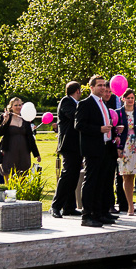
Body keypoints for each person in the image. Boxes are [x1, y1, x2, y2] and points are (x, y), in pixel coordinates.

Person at [76, 75, 120, 226]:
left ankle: (99, 212)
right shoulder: (85, 104)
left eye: (104, 85)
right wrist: (99, 129)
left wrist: (114, 132)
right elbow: (79, 125)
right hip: (92, 148)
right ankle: (87, 215)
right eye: (99, 85)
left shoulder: (104, 104)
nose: (102, 88)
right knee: (91, 182)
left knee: (103, 182)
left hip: (105, 147)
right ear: (91, 88)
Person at [53, 81, 84, 219]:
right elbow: (74, 117)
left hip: (77, 145)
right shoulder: (66, 102)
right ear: (77, 91)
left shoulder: (76, 103)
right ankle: (56, 205)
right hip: (68, 145)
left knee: (74, 176)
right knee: (67, 175)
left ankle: (69, 207)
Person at [0, 99, 40, 179]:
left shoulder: (26, 118)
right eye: (16, 105)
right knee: (9, 172)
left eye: (20, 105)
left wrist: (36, 154)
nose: (18, 107)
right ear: (11, 107)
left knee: (24, 172)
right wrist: (4, 122)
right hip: (10, 150)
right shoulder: (6, 117)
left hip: (24, 151)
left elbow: (30, 137)